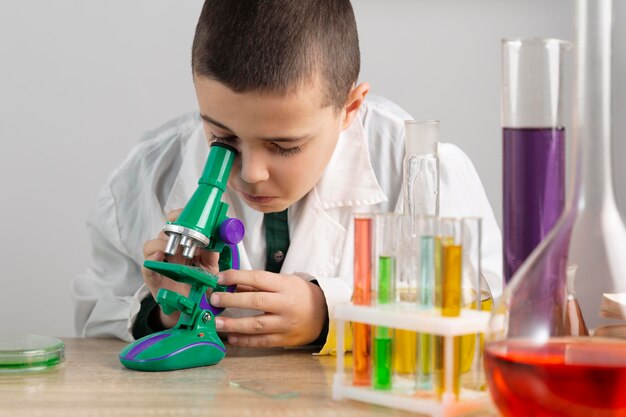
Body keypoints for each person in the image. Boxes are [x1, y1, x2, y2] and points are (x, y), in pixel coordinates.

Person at [72, 0, 502, 355]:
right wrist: (163, 311)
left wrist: (331, 316)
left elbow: (491, 315)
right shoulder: (145, 177)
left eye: (285, 146)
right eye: (222, 138)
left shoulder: (423, 170)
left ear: (350, 108)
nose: (253, 173)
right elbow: (95, 319)